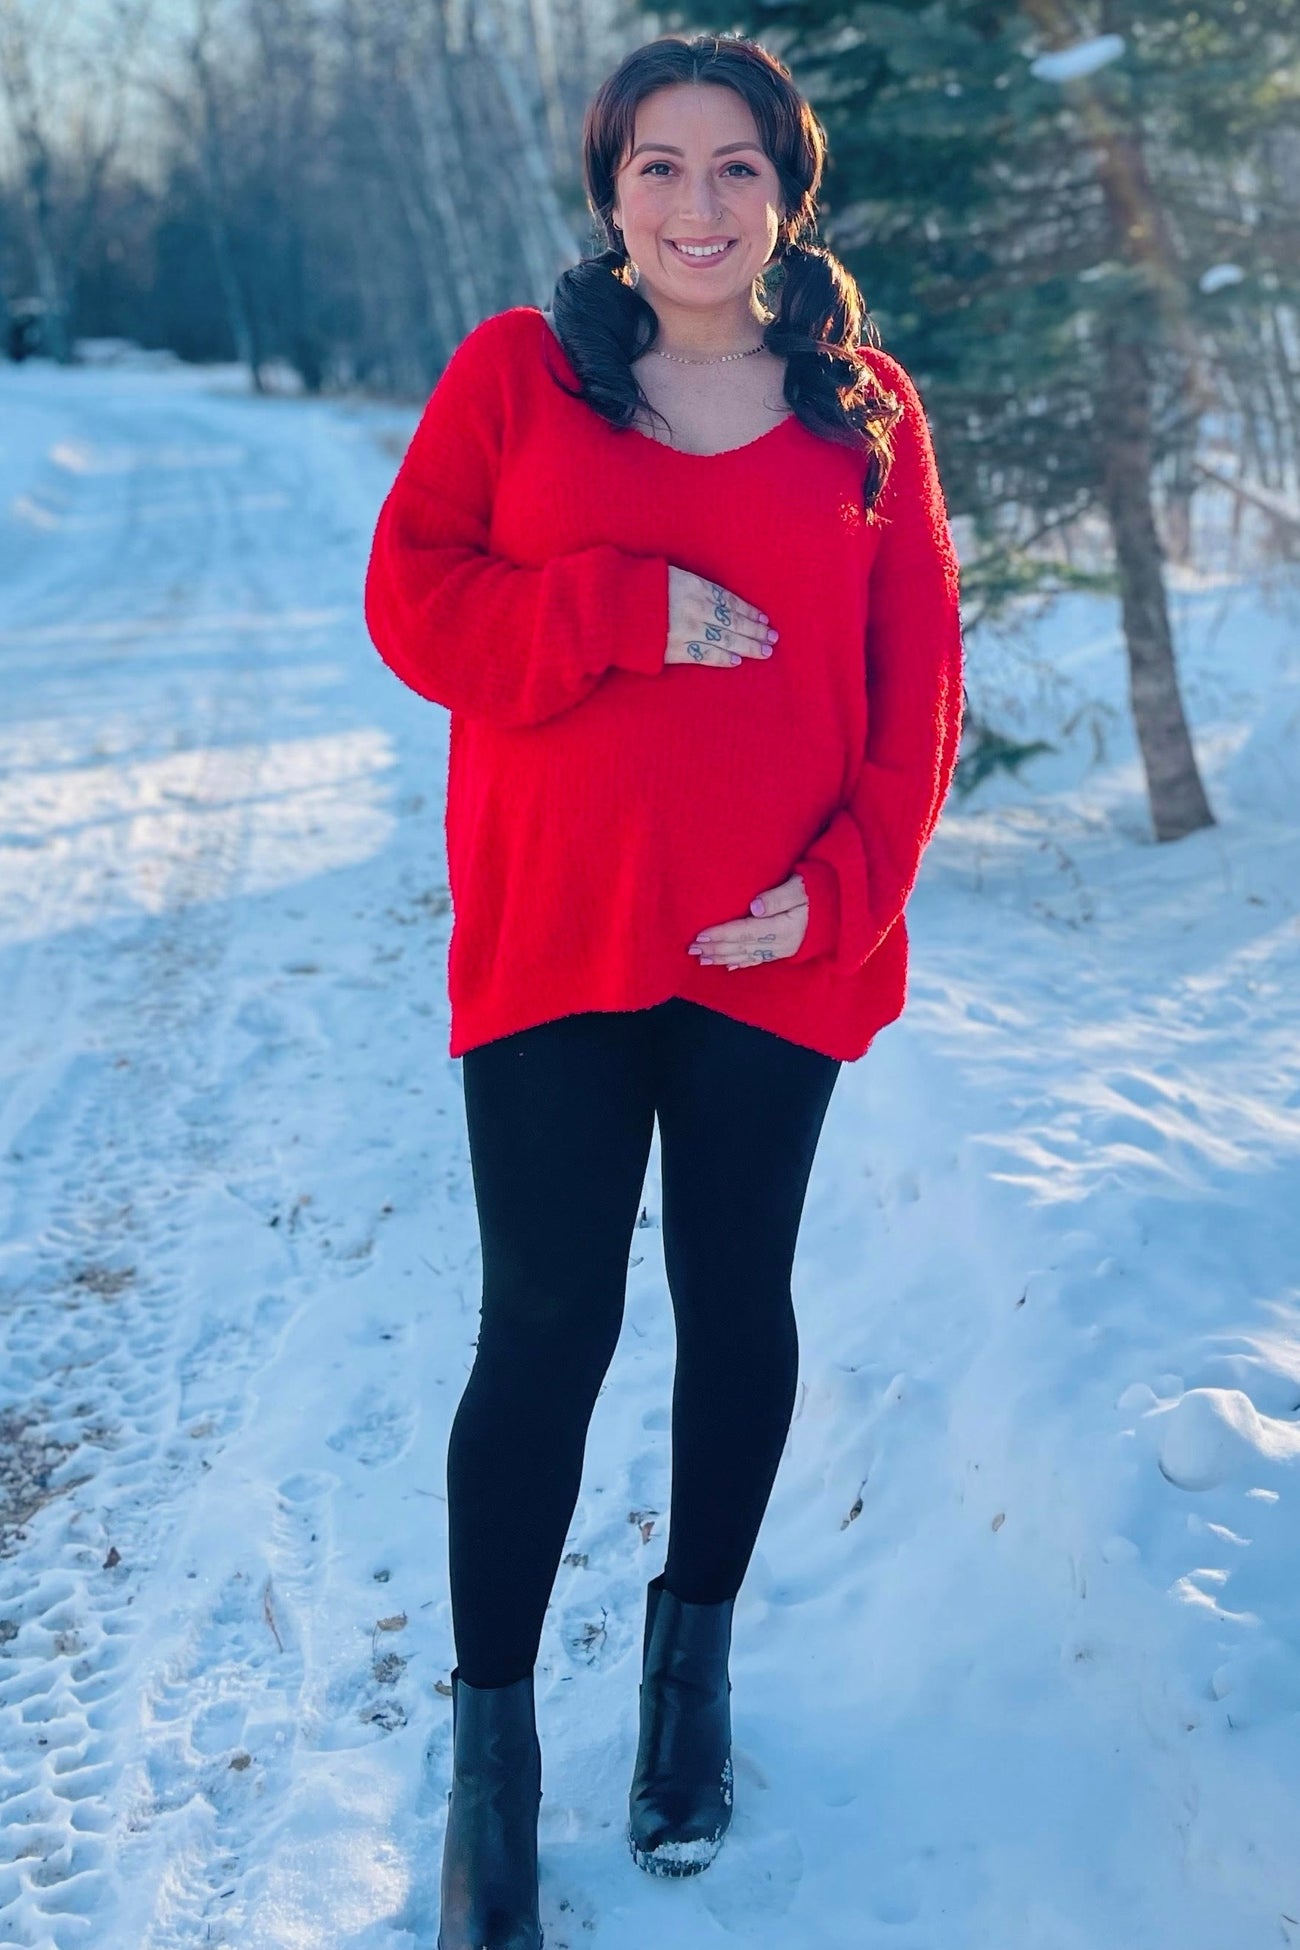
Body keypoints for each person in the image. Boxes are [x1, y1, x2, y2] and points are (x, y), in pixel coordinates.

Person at [364, 29, 964, 1950]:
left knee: (736, 1301)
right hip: (558, 932)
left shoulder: (865, 409)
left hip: (771, 948)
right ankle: (491, 1765)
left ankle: (688, 1673)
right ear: (608, 193)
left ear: (789, 192)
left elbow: (917, 697)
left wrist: (842, 894)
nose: (698, 206)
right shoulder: (517, 377)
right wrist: (614, 605)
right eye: (658, 168)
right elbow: (413, 601)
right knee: (543, 1324)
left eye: (735, 169)